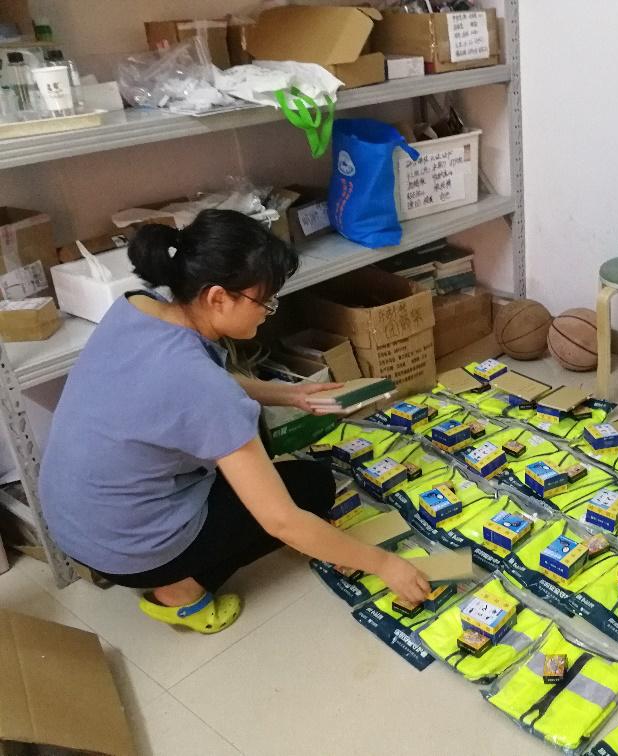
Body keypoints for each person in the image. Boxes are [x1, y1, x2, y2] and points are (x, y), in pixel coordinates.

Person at [39, 209, 429, 634]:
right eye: (264, 302)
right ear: (217, 297)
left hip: (74, 522)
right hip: (128, 548)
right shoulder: (203, 388)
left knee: (250, 436)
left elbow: (191, 385)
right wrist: (385, 564)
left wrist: (291, 394)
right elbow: (282, 521)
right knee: (312, 489)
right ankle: (180, 592)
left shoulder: (138, 306)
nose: (268, 313)